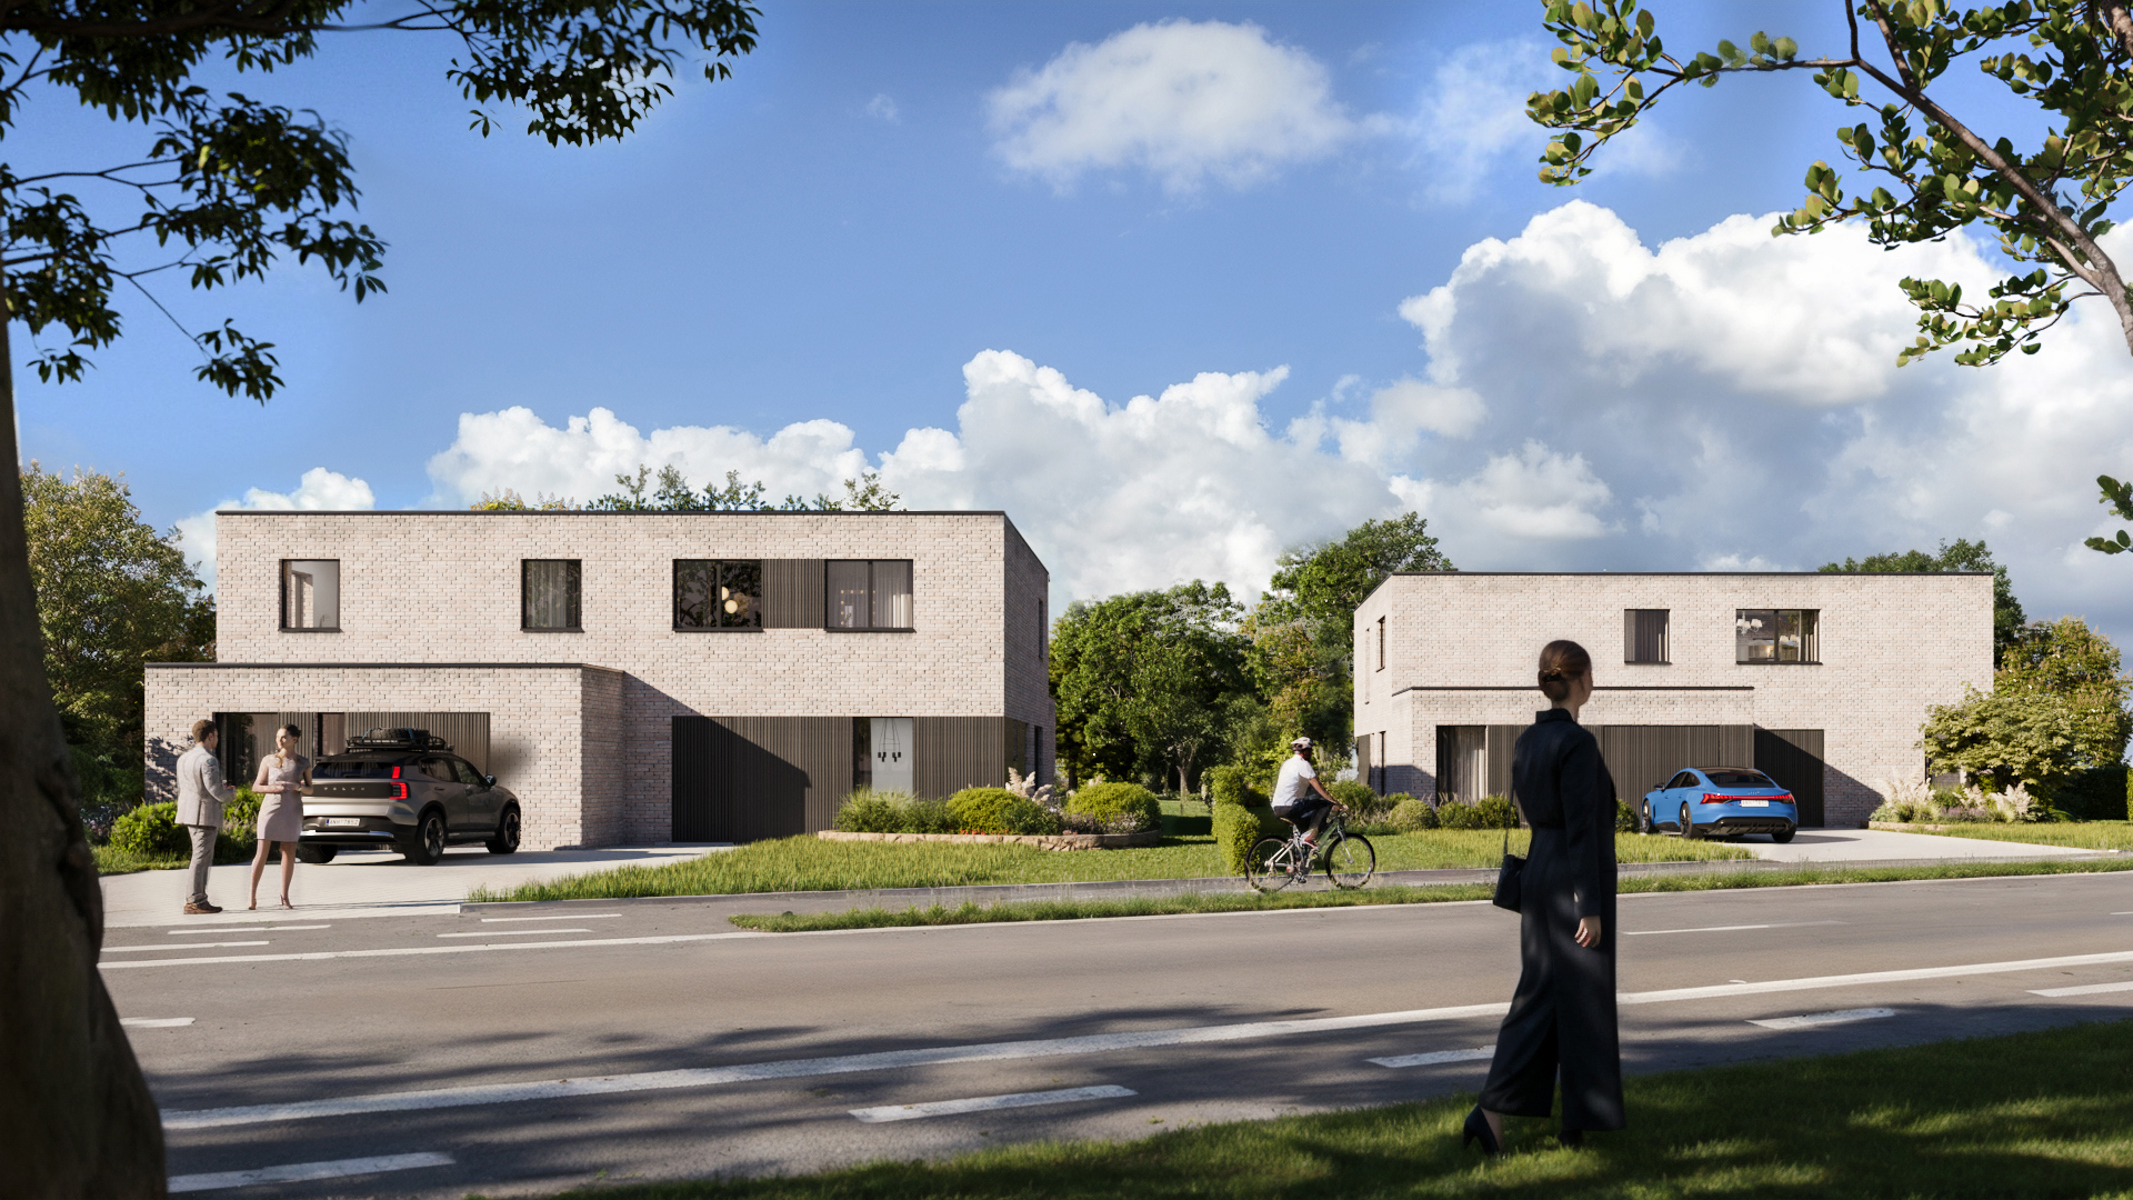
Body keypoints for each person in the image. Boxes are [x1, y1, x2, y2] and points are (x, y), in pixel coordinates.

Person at [1466, 639, 1625, 1155]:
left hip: (1540, 872)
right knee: (1555, 998)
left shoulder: (1528, 740)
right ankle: (1492, 1112)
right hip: (1570, 881)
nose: (1593, 683)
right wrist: (1590, 905)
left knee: (1559, 998)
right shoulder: (1577, 744)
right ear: (1580, 681)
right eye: (1592, 675)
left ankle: (1573, 1123)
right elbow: (1581, 827)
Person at [174, 718, 236, 915]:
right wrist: (230, 795)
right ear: (210, 736)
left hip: (188, 811)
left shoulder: (183, 758)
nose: (217, 739)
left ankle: (198, 898)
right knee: (201, 857)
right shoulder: (208, 759)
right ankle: (195, 900)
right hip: (204, 814)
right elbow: (215, 790)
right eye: (216, 736)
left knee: (199, 856)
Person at [248, 723, 312, 911]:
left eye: (283, 737)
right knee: (261, 852)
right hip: (270, 808)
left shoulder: (303, 762)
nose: (279, 740)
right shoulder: (268, 760)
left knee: (289, 852)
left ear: (294, 739)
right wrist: (272, 788)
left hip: (292, 810)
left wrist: (298, 787)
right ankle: (252, 897)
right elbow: (256, 786)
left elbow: (310, 789)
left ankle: (285, 897)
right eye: (278, 737)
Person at [1270, 736, 1338, 846]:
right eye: (1310, 750)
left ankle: (1297, 859)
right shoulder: (1303, 764)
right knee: (1325, 804)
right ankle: (1310, 838)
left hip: (1277, 807)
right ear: (1304, 751)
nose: (1311, 753)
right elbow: (1318, 787)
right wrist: (1334, 802)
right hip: (1290, 807)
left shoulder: (1286, 763)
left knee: (1302, 831)